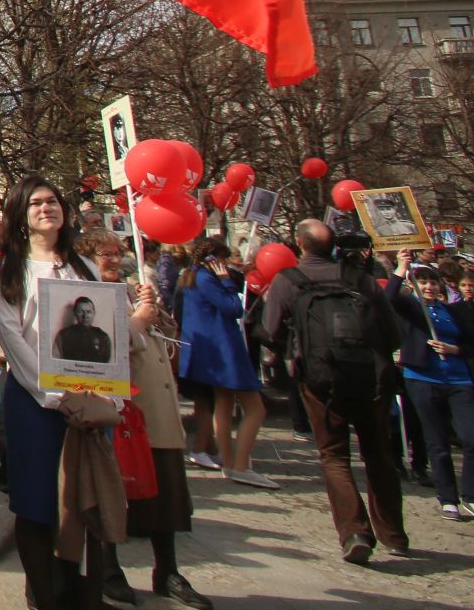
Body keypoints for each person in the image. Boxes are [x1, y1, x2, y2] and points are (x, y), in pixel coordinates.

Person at [0, 175, 108, 610]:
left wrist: (100, 395)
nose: (46, 208)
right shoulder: (11, 267)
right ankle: (43, 594)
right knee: (37, 503)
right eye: (36, 203)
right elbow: (11, 333)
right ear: (22, 215)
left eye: (53, 201)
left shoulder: (85, 268)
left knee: (86, 502)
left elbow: (106, 335)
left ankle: (85, 593)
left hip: (87, 405)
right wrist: (53, 392)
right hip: (37, 403)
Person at [263, 218, 407, 564]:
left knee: (334, 455)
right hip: (371, 377)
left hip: (321, 379)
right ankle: (394, 534)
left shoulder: (288, 280)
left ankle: (355, 531)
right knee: (379, 454)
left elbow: (269, 330)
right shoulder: (361, 279)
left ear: (300, 245)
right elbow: (394, 332)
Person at [82, 234, 214, 609]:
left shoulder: (132, 290)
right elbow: (98, 344)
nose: (112, 259)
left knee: (166, 488)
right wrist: (138, 320)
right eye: (103, 253)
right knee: (115, 489)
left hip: (158, 408)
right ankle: (109, 568)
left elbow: (166, 342)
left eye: (116, 253)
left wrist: (158, 314)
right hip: (120, 406)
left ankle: (167, 569)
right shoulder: (87, 294)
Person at [178, 238, 276, 489]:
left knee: (223, 402)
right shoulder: (207, 278)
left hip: (210, 349)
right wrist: (227, 282)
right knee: (255, 408)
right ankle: (240, 464)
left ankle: (230, 461)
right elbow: (233, 308)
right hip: (223, 348)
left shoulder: (191, 275)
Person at [389, 251, 474, 520]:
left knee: (471, 437)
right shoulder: (412, 308)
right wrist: (402, 267)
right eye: (423, 282)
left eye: (433, 282)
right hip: (424, 379)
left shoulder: (453, 311)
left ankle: (470, 495)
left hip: (460, 380)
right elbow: (387, 299)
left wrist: (455, 348)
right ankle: (448, 497)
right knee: (437, 442)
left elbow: (471, 342)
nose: (429, 286)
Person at [52, 296, 112, 363]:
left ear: (94, 313)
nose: (85, 316)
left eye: (88, 312)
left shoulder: (103, 337)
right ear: (75, 313)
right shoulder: (63, 335)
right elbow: (55, 362)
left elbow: (107, 365)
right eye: (80, 311)